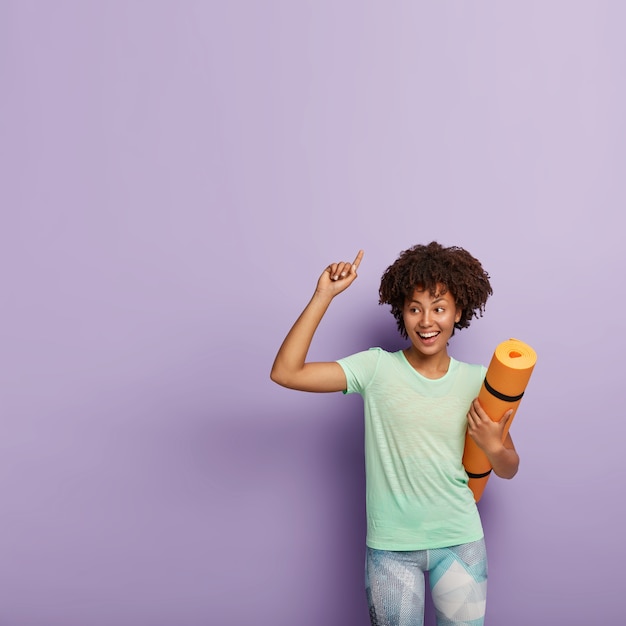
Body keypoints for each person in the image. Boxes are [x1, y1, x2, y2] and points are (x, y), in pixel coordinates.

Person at [270, 242, 519, 626]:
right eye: (415, 308)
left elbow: (509, 467)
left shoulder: (478, 381)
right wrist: (324, 295)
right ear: (402, 312)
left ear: (458, 313)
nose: (426, 321)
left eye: (439, 308)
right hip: (390, 549)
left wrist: (492, 445)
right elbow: (286, 372)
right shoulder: (375, 368)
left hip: (459, 539)